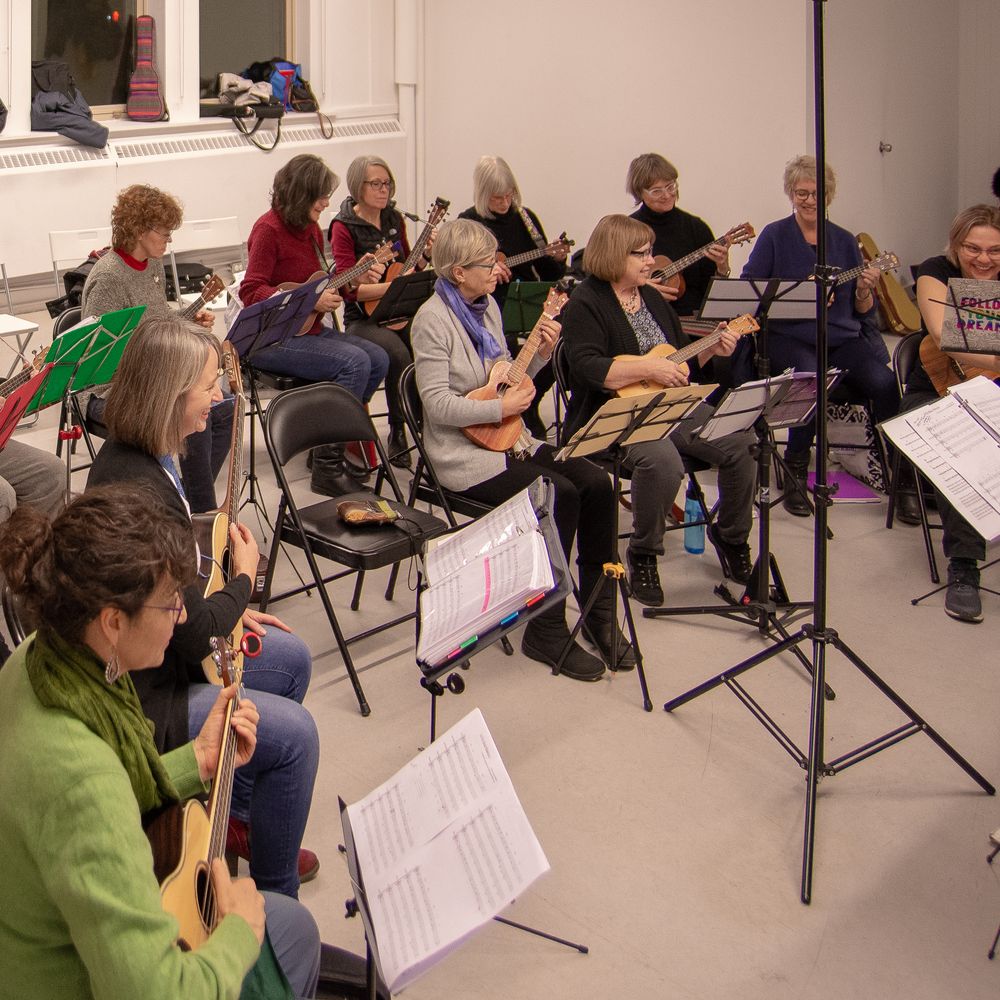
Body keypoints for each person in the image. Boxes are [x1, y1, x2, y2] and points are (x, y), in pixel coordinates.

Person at [0, 487, 320, 1000]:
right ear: (113, 619)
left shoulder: (42, 656)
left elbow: (94, 809)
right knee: (291, 929)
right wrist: (238, 929)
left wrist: (195, 760)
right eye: (170, 600)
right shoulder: (82, 779)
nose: (183, 614)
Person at [87, 316, 320, 898]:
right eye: (208, 386)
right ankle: (273, 896)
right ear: (170, 396)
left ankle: (235, 812)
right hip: (148, 691)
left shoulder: (150, 453)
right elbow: (193, 640)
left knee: (291, 659)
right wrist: (243, 584)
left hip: (166, 649)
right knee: (297, 737)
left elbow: (189, 605)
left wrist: (227, 606)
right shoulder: (139, 491)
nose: (218, 398)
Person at [411, 218, 626, 681]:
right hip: (462, 455)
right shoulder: (431, 320)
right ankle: (546, 628)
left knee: (596, 483)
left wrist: (542, 353)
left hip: (512, 438)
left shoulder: (485, 307)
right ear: (456, 271)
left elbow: (503, 373)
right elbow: (437, 404)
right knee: (560, 494)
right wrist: (500, 407)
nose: (496, 270)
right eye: (486, 264)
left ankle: (598, 609)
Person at [561, 214, 755, 607]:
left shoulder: (649, 296)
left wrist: (711, 350)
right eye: (641, 254)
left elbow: (678, 358)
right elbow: (586, 368)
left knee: (741, 441)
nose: (650, 261)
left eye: (649, 252)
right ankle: (644, 551)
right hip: (614, 411)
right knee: (664, 462)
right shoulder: (586, 301)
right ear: (615, 255)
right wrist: (648, 368)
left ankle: (732, 536)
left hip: (671, 403)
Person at [741, 154, 899, 515]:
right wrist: (799, 292)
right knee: (811, 378)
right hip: (788, 336)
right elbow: (752, 289)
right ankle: (797, 468)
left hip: (840, 338)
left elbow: (862, 311)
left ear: (828, 195)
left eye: (816, 193)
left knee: (884, 382)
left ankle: (901, 473)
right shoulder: (775, 235)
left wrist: (863, 291)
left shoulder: (843, 241)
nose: (809, 200)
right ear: (790, 194)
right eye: (801, 193)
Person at [240, 153, 390, 496]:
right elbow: (251, 292)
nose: (326, 202)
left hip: (307, 329)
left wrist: (354, 276)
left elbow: (321, 281)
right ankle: (327, 467)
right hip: (271, 338)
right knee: (356, 362)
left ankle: (325, 437)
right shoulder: (267, 229)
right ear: (300, 194)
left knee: (378, 358)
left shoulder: (307, 227)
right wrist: (309, 301)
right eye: (320, 195)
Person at [81, 183, 234, 514]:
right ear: (138, 231)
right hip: (109, 390)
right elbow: (101, 358)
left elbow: (157, 325)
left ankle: (189, 503)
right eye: (164, 232)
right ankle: (203, 519)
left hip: (152, 376)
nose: (169, 240)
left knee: (225, 410)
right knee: (188, 408)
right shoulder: (108, 279)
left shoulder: (150, 264)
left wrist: (188, 320)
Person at [898, 204, 1000, 624]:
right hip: (934, 393)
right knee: (964, 452)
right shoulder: (936, 270)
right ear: (956, 245)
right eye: (972, 248)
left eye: (995, 251)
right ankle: (964, 566)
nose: (983, 259)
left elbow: (965, 339)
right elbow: (943, 335)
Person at [329, 154, 431, 469]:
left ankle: (428, 428)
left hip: (399, 309)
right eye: (376, 184)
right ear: (358, 187)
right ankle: (399, 430)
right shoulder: (343, 227)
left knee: (427, 342)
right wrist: (391, 289)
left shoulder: (393, 220)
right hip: (363, 319)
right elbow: (348, 289)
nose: (383, 190)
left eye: (387, 184)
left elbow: (407, 268)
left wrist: (426, 255)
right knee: (399, 356)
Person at [458, 155, 568, 439]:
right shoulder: (469, 223)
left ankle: (530, 401)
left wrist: (556, 258)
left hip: (529, 299)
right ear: (483, 195)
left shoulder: (526, 218)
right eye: (497, 198)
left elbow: (550, 271)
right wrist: (487, 269)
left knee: (560, 345)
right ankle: (511, 404)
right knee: (505, 352)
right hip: (491, 306)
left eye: (510, 196)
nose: (505, 204)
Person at [626, 153, 731, 318]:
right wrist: (642, 289)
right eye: (656, 191)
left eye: (670, 186)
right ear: (640, 192)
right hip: (644, 320)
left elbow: (713, 294)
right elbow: (612, 284)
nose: (667, 195)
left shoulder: (696, 228)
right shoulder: (627, 231)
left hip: (692, 322)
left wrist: (722, 268)